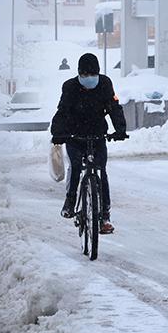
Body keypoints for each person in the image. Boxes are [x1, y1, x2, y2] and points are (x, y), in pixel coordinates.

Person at [50, 53, 126, 234]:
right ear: (79, 74)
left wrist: (120, 130)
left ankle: (105, 216)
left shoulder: (105, 84)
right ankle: (70, 201)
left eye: (93, 74)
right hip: (74, 135)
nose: (89, 78)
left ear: (98, 73)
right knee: (75, 167)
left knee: (102, 170)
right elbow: (62, 111)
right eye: (85, 75)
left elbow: (114, 107)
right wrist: (58, 134)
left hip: (98, 134)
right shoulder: (69, 87)